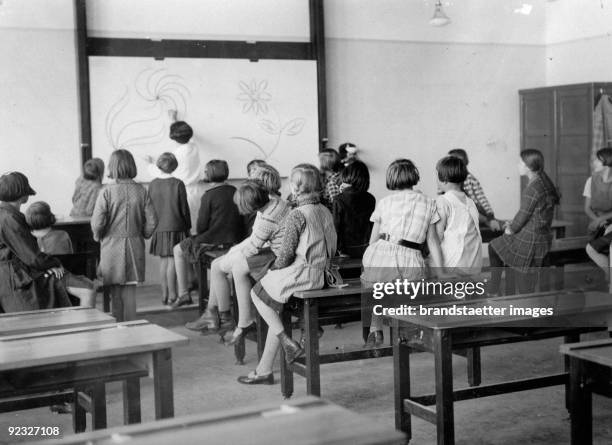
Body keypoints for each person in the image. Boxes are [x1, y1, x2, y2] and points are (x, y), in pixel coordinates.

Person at [238, 164, 336, 385]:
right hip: (324, 273)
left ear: (295, 186)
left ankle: (286, 340)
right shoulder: (325, 210)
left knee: (257, 291)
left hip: (304, 273)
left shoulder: (297, 214)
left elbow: (285, 256)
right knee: (275, 298)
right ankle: (298, 332)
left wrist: (273, 270)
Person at [186, 178, 290, 344]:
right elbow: (253, 240)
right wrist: (233, 251)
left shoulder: (266, 219)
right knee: (220, 264)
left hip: (276, 258)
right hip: (274, 251)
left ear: (248, 206)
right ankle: (223, 316)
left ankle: (224, 316)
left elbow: (251, 249)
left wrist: (230, 257)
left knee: (222, 266)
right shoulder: (275, 203)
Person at [361, 159, 443, 348]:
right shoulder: (429, 203)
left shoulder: (384, 202)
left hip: (382, 252)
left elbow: (374, 239)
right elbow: (432, 241)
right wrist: (441, 271)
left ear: (391, 178)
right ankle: (407, 336)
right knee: (409, 298)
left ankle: (375, 327)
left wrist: (369, 259)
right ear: (414, 177)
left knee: (375, 288)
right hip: (411, 258)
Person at [91, 149, 158, 321]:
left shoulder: (106, 191)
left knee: (115, 291)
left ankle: (117, 327)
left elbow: (97, 221)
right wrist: (142, 234)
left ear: (112, 167)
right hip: (135, 244)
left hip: (111, 246)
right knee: (130, 290)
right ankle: (131, 328)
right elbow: (152, 220)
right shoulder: (142, 190)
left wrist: (98, 237)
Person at [172, 160, 244, 308]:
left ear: (211, 174)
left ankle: (183, 293)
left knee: (177, 250)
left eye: (205, 171)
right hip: (234, 240)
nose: (203, 173)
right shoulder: (236, 191)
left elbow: (201, 227)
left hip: (213, 240)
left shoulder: (208, 195)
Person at [488, 149, 560, 295]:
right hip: (542, 237)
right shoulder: (544, 181)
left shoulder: (533, 188)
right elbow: (528, 214)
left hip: (531, 239)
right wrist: (513, 225)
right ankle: (503, 291)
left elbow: (523, 215)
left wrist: (511, 228)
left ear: (529, 166)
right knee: (497, 246)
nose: (518, 165)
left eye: (520, 162)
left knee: (493, 246)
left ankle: (494, 290)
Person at [0, 172, 72, 312]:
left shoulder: (6, 215)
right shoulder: (9, 219)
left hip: (10, 274)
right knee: (47, 302)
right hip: (12, 279)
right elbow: (33, 257)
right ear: (21, 193)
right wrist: (55, 263)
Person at [25, 201, 97, 307]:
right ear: (50, 217)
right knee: (89, 287)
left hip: (40, 279)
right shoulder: (63, 235)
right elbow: (70, 256)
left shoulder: (28, 239)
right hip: (63, 276)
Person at [146, 117, 203, 233]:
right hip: (197, 191)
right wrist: (173, 120)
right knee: (196, 227)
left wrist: (149, 164)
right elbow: (183, 136)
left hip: (182, 192)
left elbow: (162, 172)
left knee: (186, 229)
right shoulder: (194, 147)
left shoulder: (177, 153)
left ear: (174, 138)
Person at [148, 152, 191, 305]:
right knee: (173, 261)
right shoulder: (178, 184)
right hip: (176, 227)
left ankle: (164, 294)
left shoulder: (152, 184)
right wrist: (188, 227)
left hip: (159, 228)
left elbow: (150, 208)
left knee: (164, 262)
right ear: (175, 165)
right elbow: (184, 209)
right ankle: (173, 295)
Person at [435, 156, 483, 274]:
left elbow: (437, 237)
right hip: (473, 262)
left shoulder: (443, 201)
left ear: (444, 179)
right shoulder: (470, 202)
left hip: (454, 262)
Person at [448, 148, 502, 232]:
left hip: (474, 211)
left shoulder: (470, 179)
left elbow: (482, 199)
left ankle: (493, 222)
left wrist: (490, 216)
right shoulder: (448, 180)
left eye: (450, 163)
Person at [332, 160, 376, 258]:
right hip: (365, 248)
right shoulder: (371, 198)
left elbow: (336, 228)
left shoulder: (339, 199)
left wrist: (339, 250)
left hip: (345, 250)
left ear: (347, 176)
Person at [584, 148, 612, 279]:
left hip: (606, 223)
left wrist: (599, 221)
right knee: (591, 249)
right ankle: (609, 275)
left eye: (597, 160)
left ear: (607, 162)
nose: (593, 162)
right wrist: (598, 221)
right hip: (601, 223)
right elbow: (587, 208)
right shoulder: (591, 180)